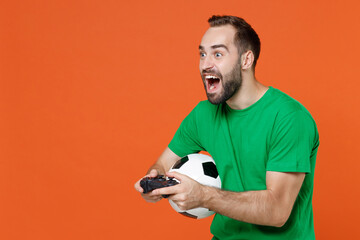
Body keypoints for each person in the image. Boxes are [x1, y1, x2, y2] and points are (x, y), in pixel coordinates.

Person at [134, 15, 319, 240]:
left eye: (218, 54)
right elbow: (163, 163)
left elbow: (276, 210)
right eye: (202, 54)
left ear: (246, 60)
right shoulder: (203, 114)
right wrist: (154, 181)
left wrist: (204, 196)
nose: (205, 64)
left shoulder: (289, 118)